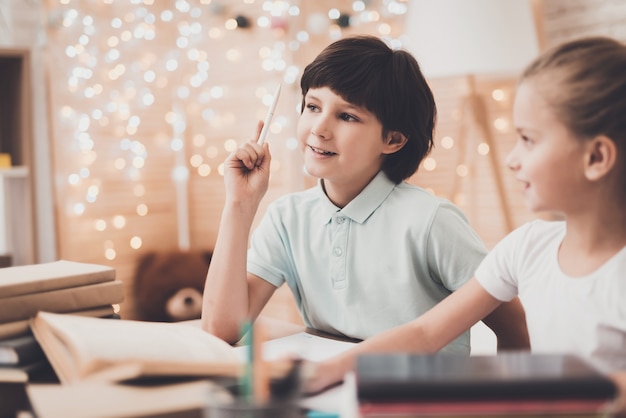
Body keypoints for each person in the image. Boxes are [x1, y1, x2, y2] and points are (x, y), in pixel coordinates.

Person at [302, 36, 626, 413]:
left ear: (596, 157)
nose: (512, 160)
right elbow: (424, 333)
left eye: (528, 140)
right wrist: (327, 372)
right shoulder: (527, 247)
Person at [201, 35, 528, 368]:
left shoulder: (432, 221)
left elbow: (514, 325)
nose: (319, 129)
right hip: (332, 388)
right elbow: (220, 329)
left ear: (393, 139)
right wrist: (239, 206)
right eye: (313, 107)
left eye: (347, 117)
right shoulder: (287, 217)